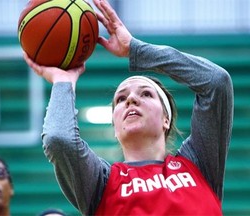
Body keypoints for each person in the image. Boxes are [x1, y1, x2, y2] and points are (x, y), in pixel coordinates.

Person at [23, 0, 233, 215]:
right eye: (121, 99)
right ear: (115, 126)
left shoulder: (199, 163)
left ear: (166, 119)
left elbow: (216, 82)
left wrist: (135, 49)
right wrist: (63, 82)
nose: (131, 99)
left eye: (146, 93)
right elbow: (59, 140)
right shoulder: (101, 184)